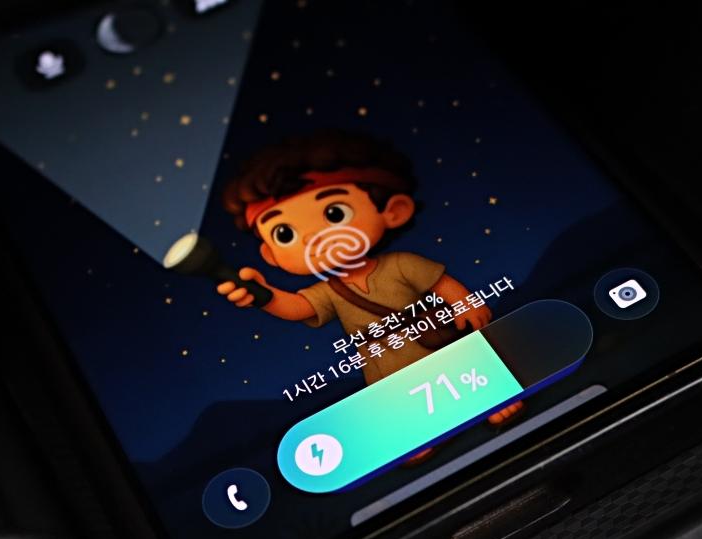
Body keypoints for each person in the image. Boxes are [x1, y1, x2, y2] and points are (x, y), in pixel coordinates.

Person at [219, 129, 523, 427]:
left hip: (429, 341)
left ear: (394, 211)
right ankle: (418, 432)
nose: (313, 237)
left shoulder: (400, 264)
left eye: (335, 214)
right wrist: (263, 295)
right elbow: (299, 307)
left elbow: (439, 283)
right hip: (383, 364)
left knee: (460, 368)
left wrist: (466, 303)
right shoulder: (329, 291)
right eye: (284, 234)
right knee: (399, 404)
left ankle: (490, 398)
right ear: (271, 255)